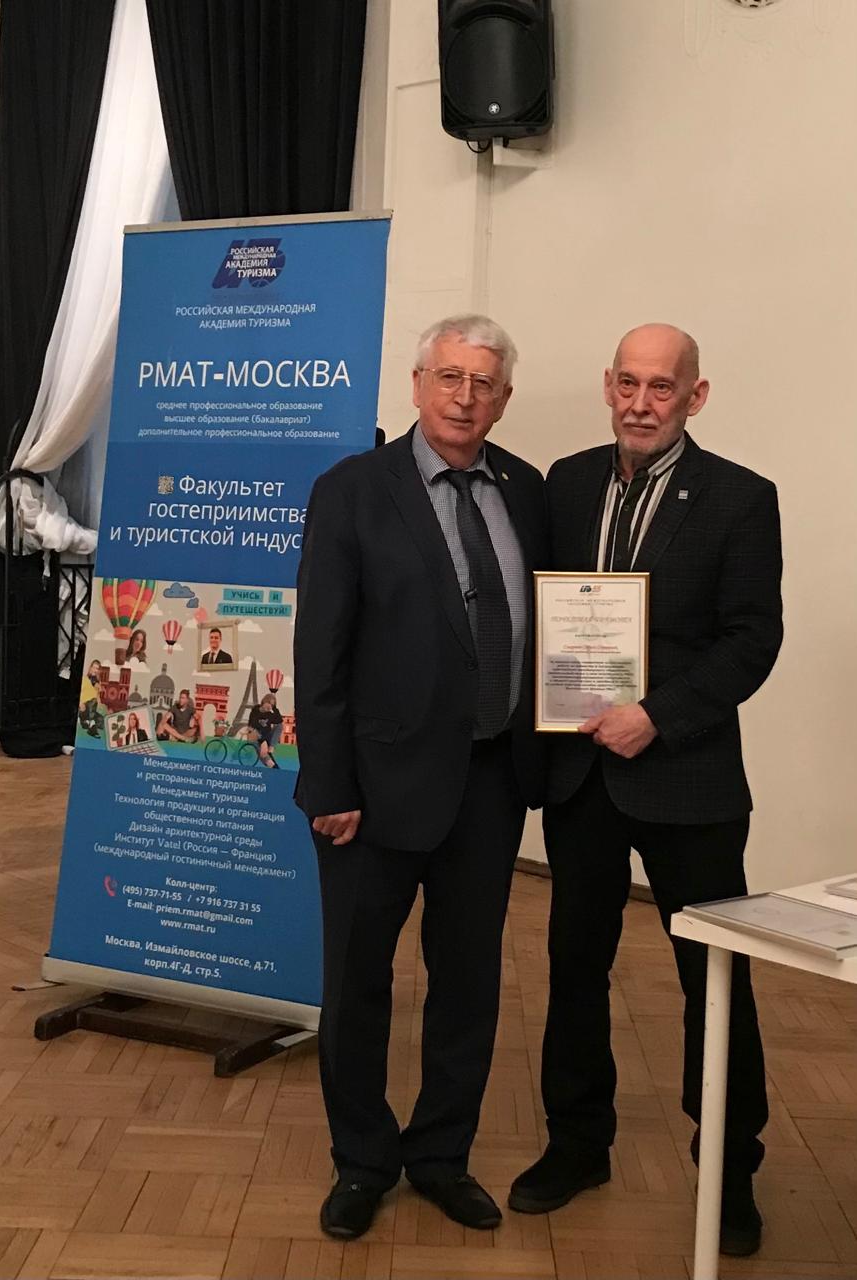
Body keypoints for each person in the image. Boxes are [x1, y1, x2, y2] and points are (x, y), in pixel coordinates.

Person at [509, 324, 783, 1259]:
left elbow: (752, 640)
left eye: (660, 387)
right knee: (573, 967)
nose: (639, 403)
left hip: (687, 777)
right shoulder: (566, 482)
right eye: (627, 383)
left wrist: (656, 716)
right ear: (607, 386)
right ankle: (576, 1144)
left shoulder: (741, 498)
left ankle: (729, 1172)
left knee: (713, 979)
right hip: (581, 772)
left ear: (693, 397)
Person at [295, 315, 547, 1240]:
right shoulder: (352, 490)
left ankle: (441, 1154)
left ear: (503, 399)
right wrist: (329, 787)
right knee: (356, 985)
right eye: (448, 377)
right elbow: (319, 650)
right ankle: (361, 1161)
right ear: (415, 384)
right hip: (371, 789)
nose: (463, 398)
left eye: (482, 383)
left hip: (488, 782)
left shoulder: (525, 489)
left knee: (468, 983)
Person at [248, 694, 282, 767]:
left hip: (266, 736)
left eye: (272, 705)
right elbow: (253, 725)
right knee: (254, 739)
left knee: (279, 726)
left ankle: (271, 748)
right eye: (268, 703)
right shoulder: (255, 710)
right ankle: (270, 763)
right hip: (256, 735)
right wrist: (263, 741)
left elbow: (279, 722)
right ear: (264, 701)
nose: (269, 706)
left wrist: (275, 709)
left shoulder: (270, 713)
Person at [79, 659, 102, 737]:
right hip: (83, 708)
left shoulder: (97, 683)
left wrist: (99, 701)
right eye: (94, 667)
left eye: (97, 668)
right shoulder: (84, 679)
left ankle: (86, 722)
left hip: (92, 709)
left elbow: (97, 698)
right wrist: (80, 703)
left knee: (102, 721)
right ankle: (91, 726)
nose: (95, 670)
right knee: (93, 701)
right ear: (90, 668)